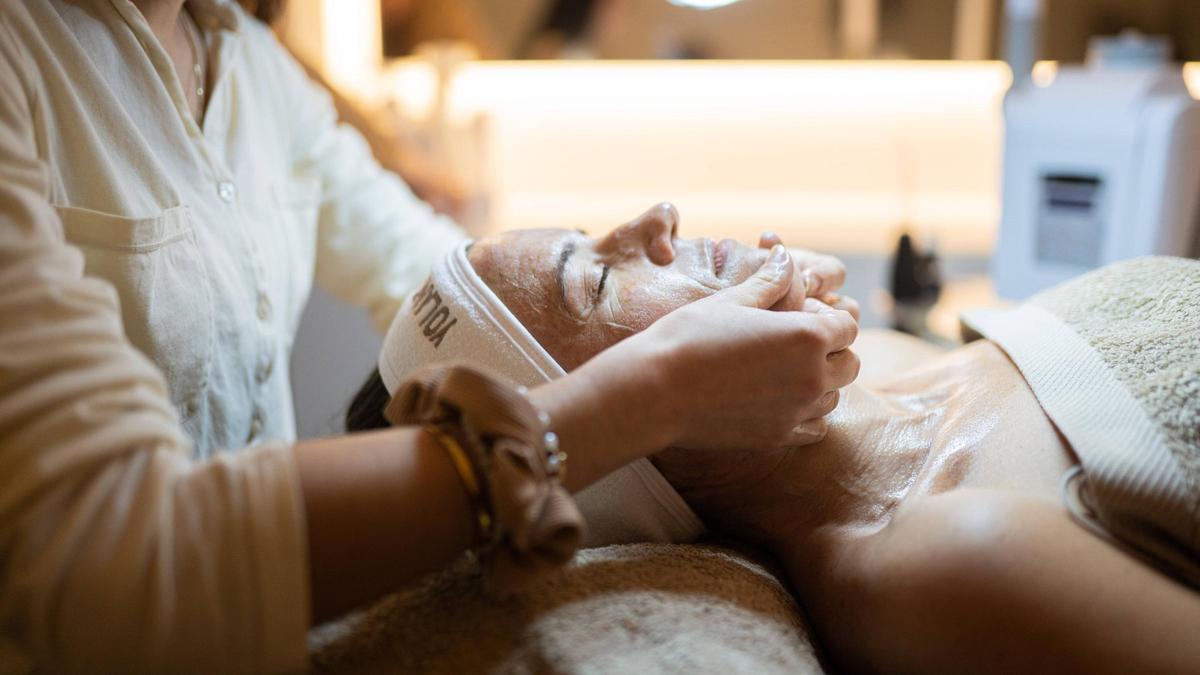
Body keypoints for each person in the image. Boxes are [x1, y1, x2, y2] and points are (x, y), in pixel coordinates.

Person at [0, 2, 859, 672]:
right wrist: (658, 387)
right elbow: (106, 565)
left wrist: (642, 305)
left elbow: (470, 299)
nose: (660, 219)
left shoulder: (253, 71)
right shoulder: (22, 58)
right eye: (598, 269)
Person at [354, 211, 1200, 673]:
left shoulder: (903, 362)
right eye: (600, 277)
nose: (653, 220)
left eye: (595, 228)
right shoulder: (950, 555)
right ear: (630, 439)